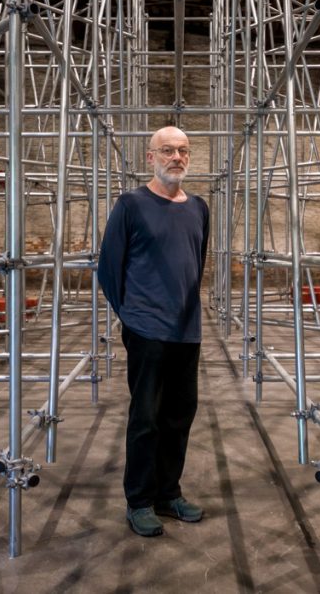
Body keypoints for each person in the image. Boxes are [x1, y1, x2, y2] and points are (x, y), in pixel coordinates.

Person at [97, 126, 210, 537]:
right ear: (150, 157)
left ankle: (168, 493)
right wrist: (132, 317)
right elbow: (108, 270)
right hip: (146, 331)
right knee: (146, 417)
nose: (176, 157)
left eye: (183, 150)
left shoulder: (198, 207)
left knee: (180, 415)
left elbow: (196, 265)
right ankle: (140, 500)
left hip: (187, 331)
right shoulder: (131, 205)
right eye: (167, 151)